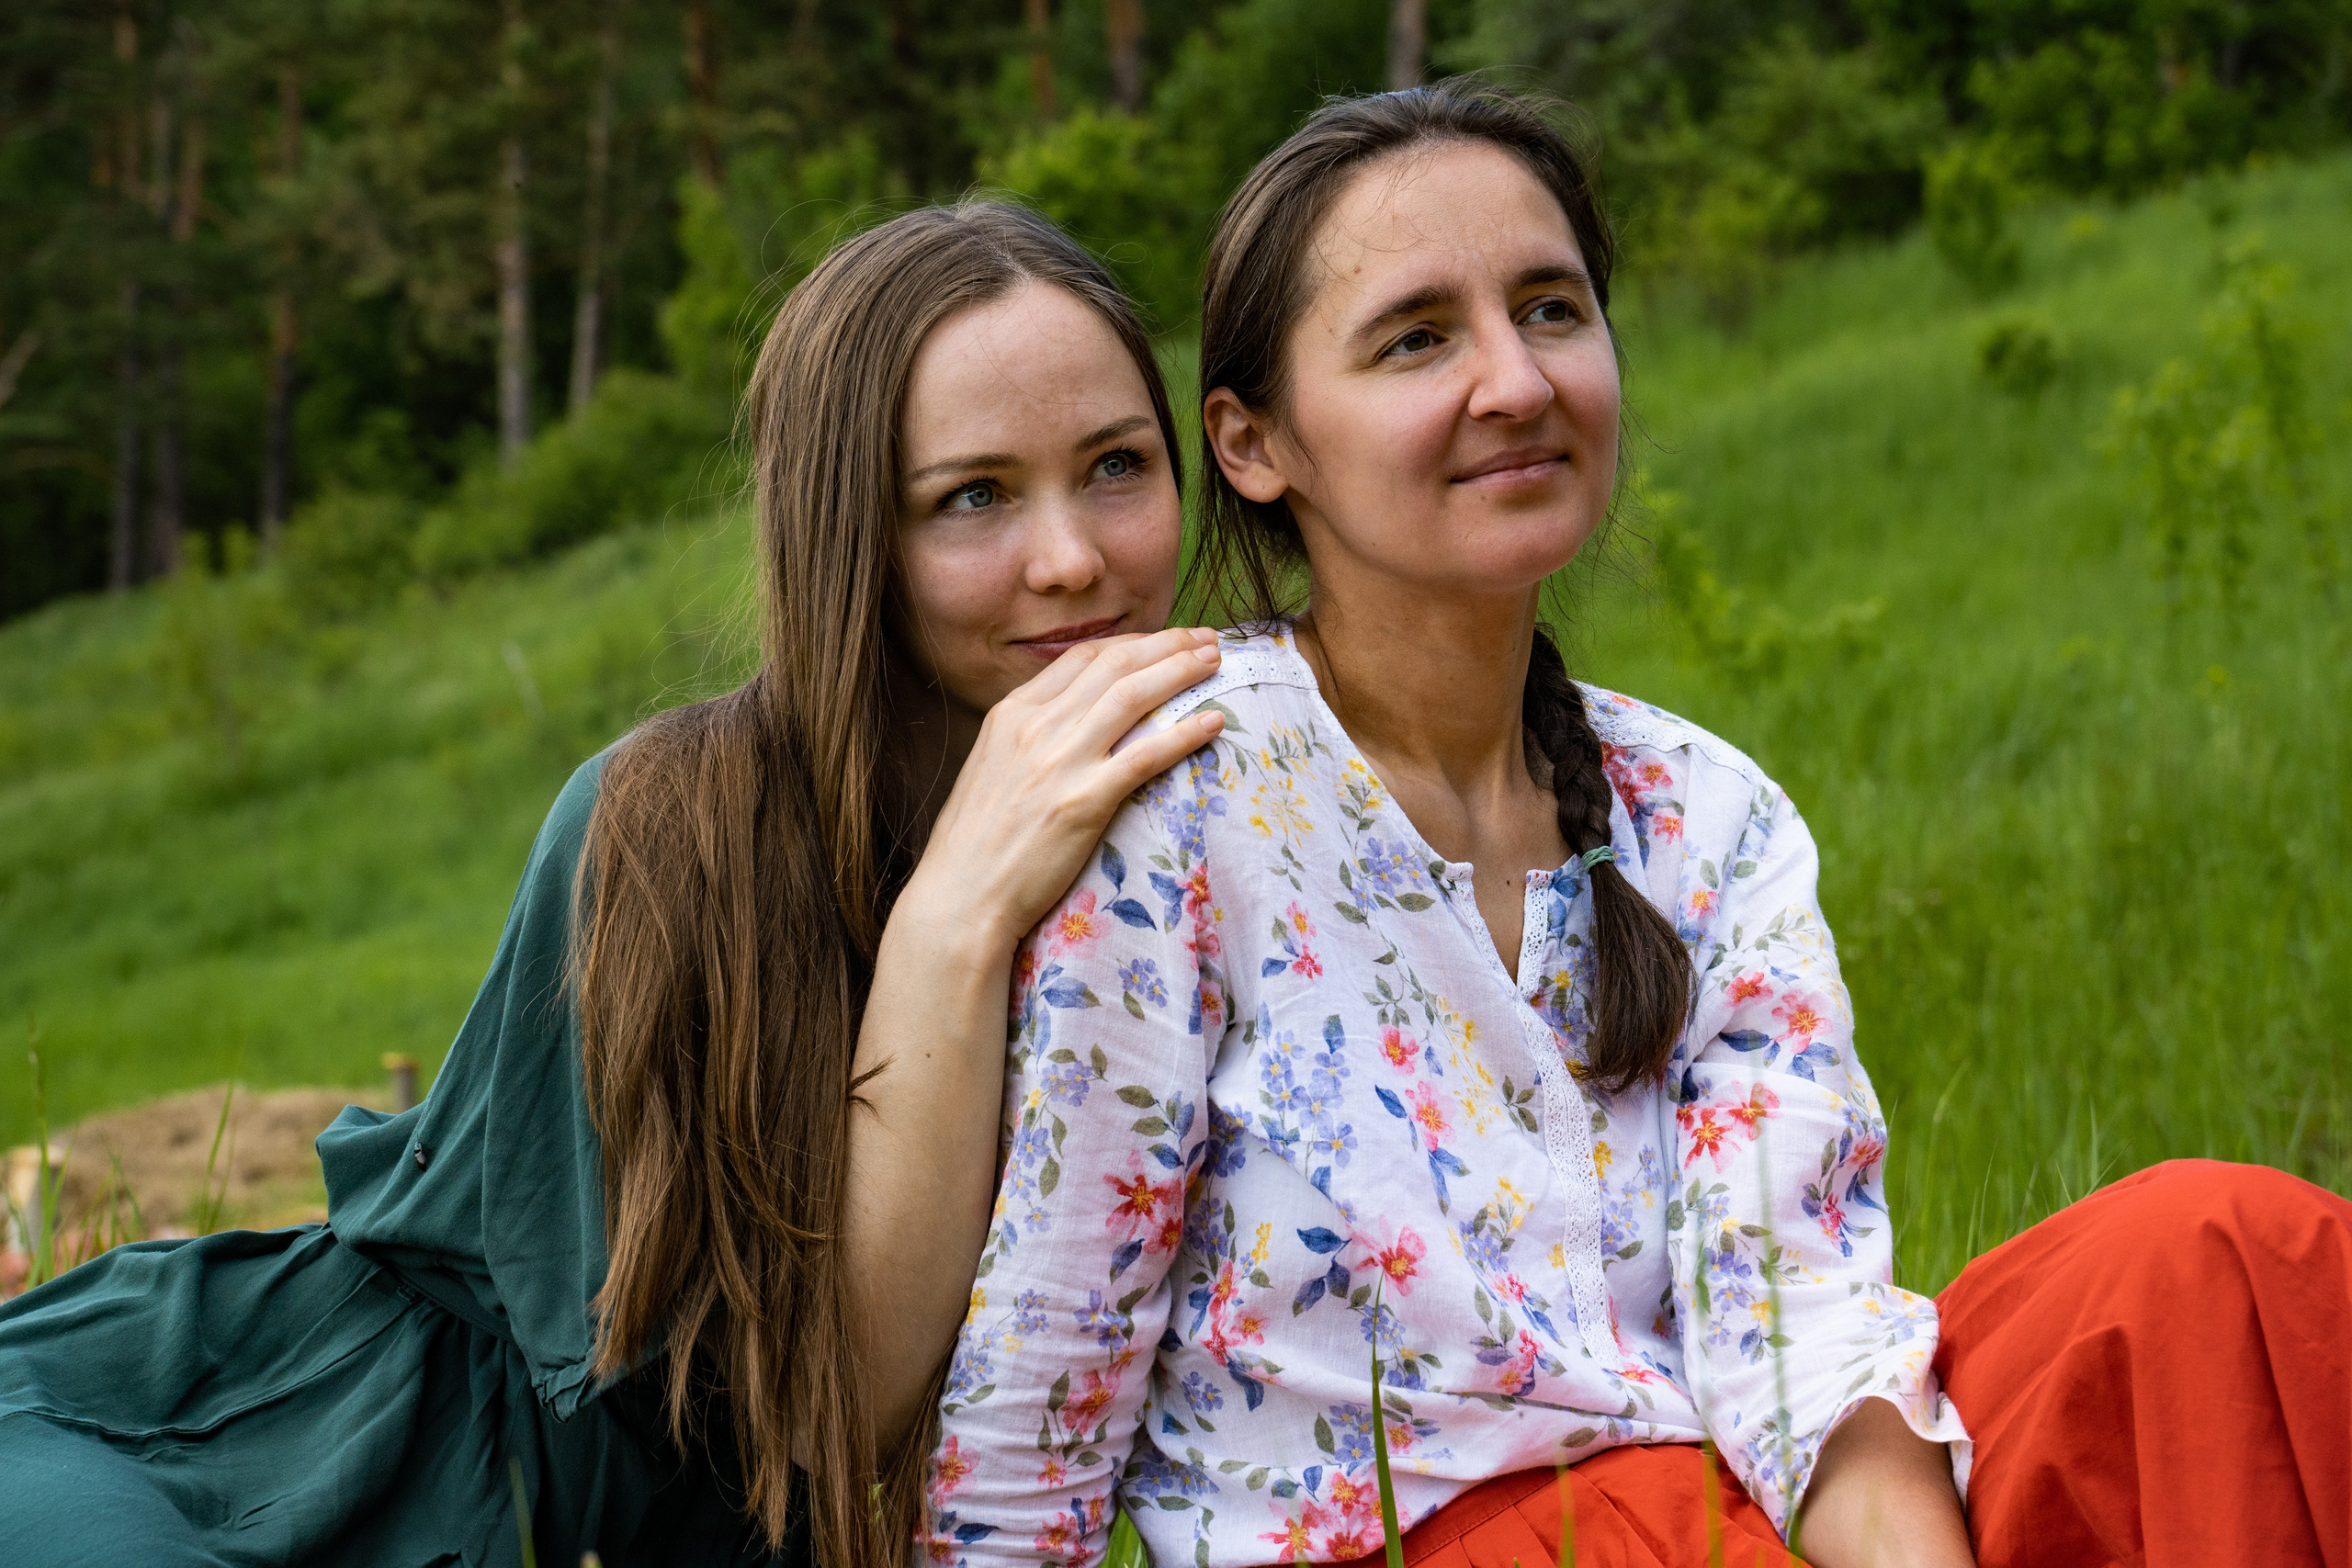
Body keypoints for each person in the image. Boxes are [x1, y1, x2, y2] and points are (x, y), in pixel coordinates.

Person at [917, 86, 2352, 1568]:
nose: (1515, 381)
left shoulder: (1705, 814)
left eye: (1549, 309)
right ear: (1254, 440)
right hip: (1432, 1541)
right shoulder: (1169, 799)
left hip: (1729, 1507)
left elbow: (1800, 1326)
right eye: (1417, 337)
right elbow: (1032, 1430)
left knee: (2216, 1254)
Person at [0, 201, 1223, 1568]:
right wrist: (952, 920)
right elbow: (835, 1423)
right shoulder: (669, 825)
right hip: (246, 1444)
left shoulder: (1219, 814)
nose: (1072, 558)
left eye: (1117, 465)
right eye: (973, 497)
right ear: (849, 533)